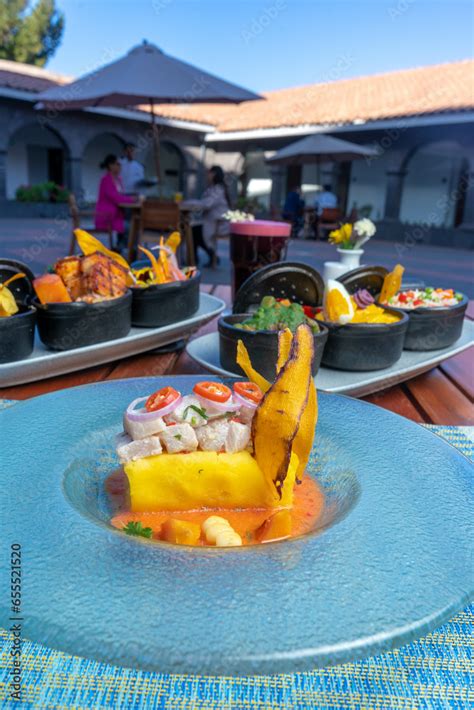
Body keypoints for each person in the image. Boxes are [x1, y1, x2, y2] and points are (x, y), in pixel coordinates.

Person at [95, 154, 136, 250]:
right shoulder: (106, 180)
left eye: (120, 164)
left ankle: (120, 247)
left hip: (116, 216)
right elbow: (115, 197)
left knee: (132, 222)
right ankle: (128, 249)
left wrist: (131, 198)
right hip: (107, 217)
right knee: (133, 226)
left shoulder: (118, 179)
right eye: (117, 164)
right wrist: (132, 199)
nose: (120, 167)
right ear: (110, 165)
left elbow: (120, 196)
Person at [191, 166, 230, 267]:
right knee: (193, 231)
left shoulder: (218, 189)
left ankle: (197, 259)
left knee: (193, 232)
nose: (207, 176)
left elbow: (207, 204)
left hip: (218, 224)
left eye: (209, 173)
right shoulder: (215, 188)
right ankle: (199, 258)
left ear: (214, 174)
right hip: (212, 222)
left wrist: (193, 204)